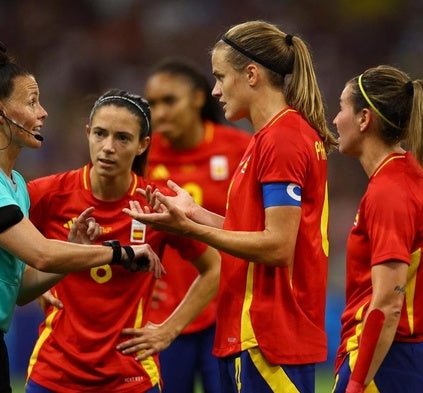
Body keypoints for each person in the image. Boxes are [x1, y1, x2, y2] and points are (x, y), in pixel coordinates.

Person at [0, 37, 163, 393]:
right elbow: (40, 252)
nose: (43, 113)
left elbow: (21, 290)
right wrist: (123, 253)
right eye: (32, 102)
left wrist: (70, 253)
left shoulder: (17, 185)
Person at [124, 20, 338, 393]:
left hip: (270, 335)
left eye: (221, 77)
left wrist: (192, 230)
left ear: (251, 75)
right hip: (255, 332)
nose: (216, 90)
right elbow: (254, 227)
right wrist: (195, 213)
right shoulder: (266, 138)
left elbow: (277, 246)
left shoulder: (282, 140)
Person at [24, 89, 221, 393]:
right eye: (100, 134)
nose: (108, 148)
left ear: (143, 145)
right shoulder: (47, 195)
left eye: (122, 138)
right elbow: (2, 242)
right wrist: (34, 281)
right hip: (55, 374)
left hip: (130, 378)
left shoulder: (158, 204)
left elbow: (214, 268)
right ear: (88, 133)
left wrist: (169, 330)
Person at [331, 65, 423, 393]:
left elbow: (388, 303)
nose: (335, 120)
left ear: (364, 119)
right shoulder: (421, 179)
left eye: (340, 108)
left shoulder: (389, 192)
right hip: (406, 358)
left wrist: (357, 383)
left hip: (381, 362)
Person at [143, 57, 251, 393]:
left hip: (228, 306)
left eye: (169, 101)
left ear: (198, 98)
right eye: (153, 104)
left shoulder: (239, 149)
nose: (159, 113)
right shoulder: (142, 154)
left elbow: (258, 227)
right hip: (166, 312)